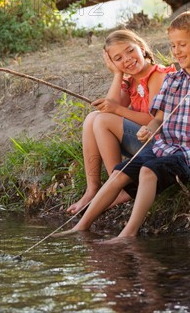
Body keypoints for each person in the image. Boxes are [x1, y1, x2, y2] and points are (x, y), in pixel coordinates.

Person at [58, 10, 190, 239]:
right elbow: (158, 119)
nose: (176, 51)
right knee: (119, 172)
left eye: (181, 45)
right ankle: (80, 227)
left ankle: (127, 234)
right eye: (173, 46)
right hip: (166, 146)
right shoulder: (174, 80)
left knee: (147, 169)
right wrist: (149, 129)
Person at [67, 30, 176, 214]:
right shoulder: (131, 81)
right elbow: (111, 106)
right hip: (143, 142)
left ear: (142, 48)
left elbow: (154, 120)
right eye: (118, 58)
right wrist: (117, 74)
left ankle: (117, 186)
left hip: (162, 144)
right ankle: (92, 189)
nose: (127, 59)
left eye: (130, 51)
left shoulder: (157, 75)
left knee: (102, 120)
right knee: (92, 118)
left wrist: (116, 110)